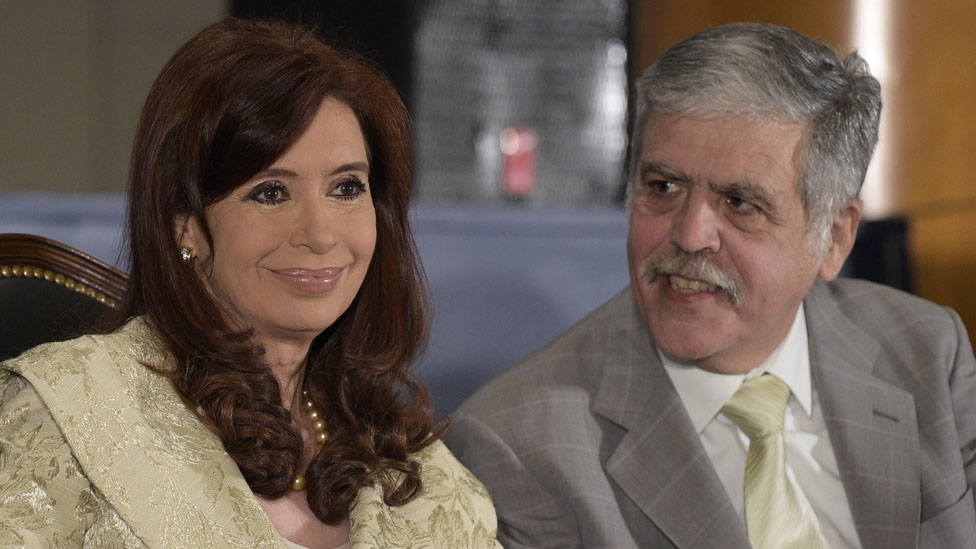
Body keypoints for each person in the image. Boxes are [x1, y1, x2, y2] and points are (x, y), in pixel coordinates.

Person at [445, 22, 976, 548]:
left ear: (834, 238)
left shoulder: (926, 351)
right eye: (664, 186)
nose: (690, 234)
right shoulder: (517, 446)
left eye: (741, 203)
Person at [0, 18, 500, 548]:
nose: (320, 233)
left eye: (346, 187)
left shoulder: (412, 462)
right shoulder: (68, 416)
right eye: (270, 193)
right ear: (186, 224)